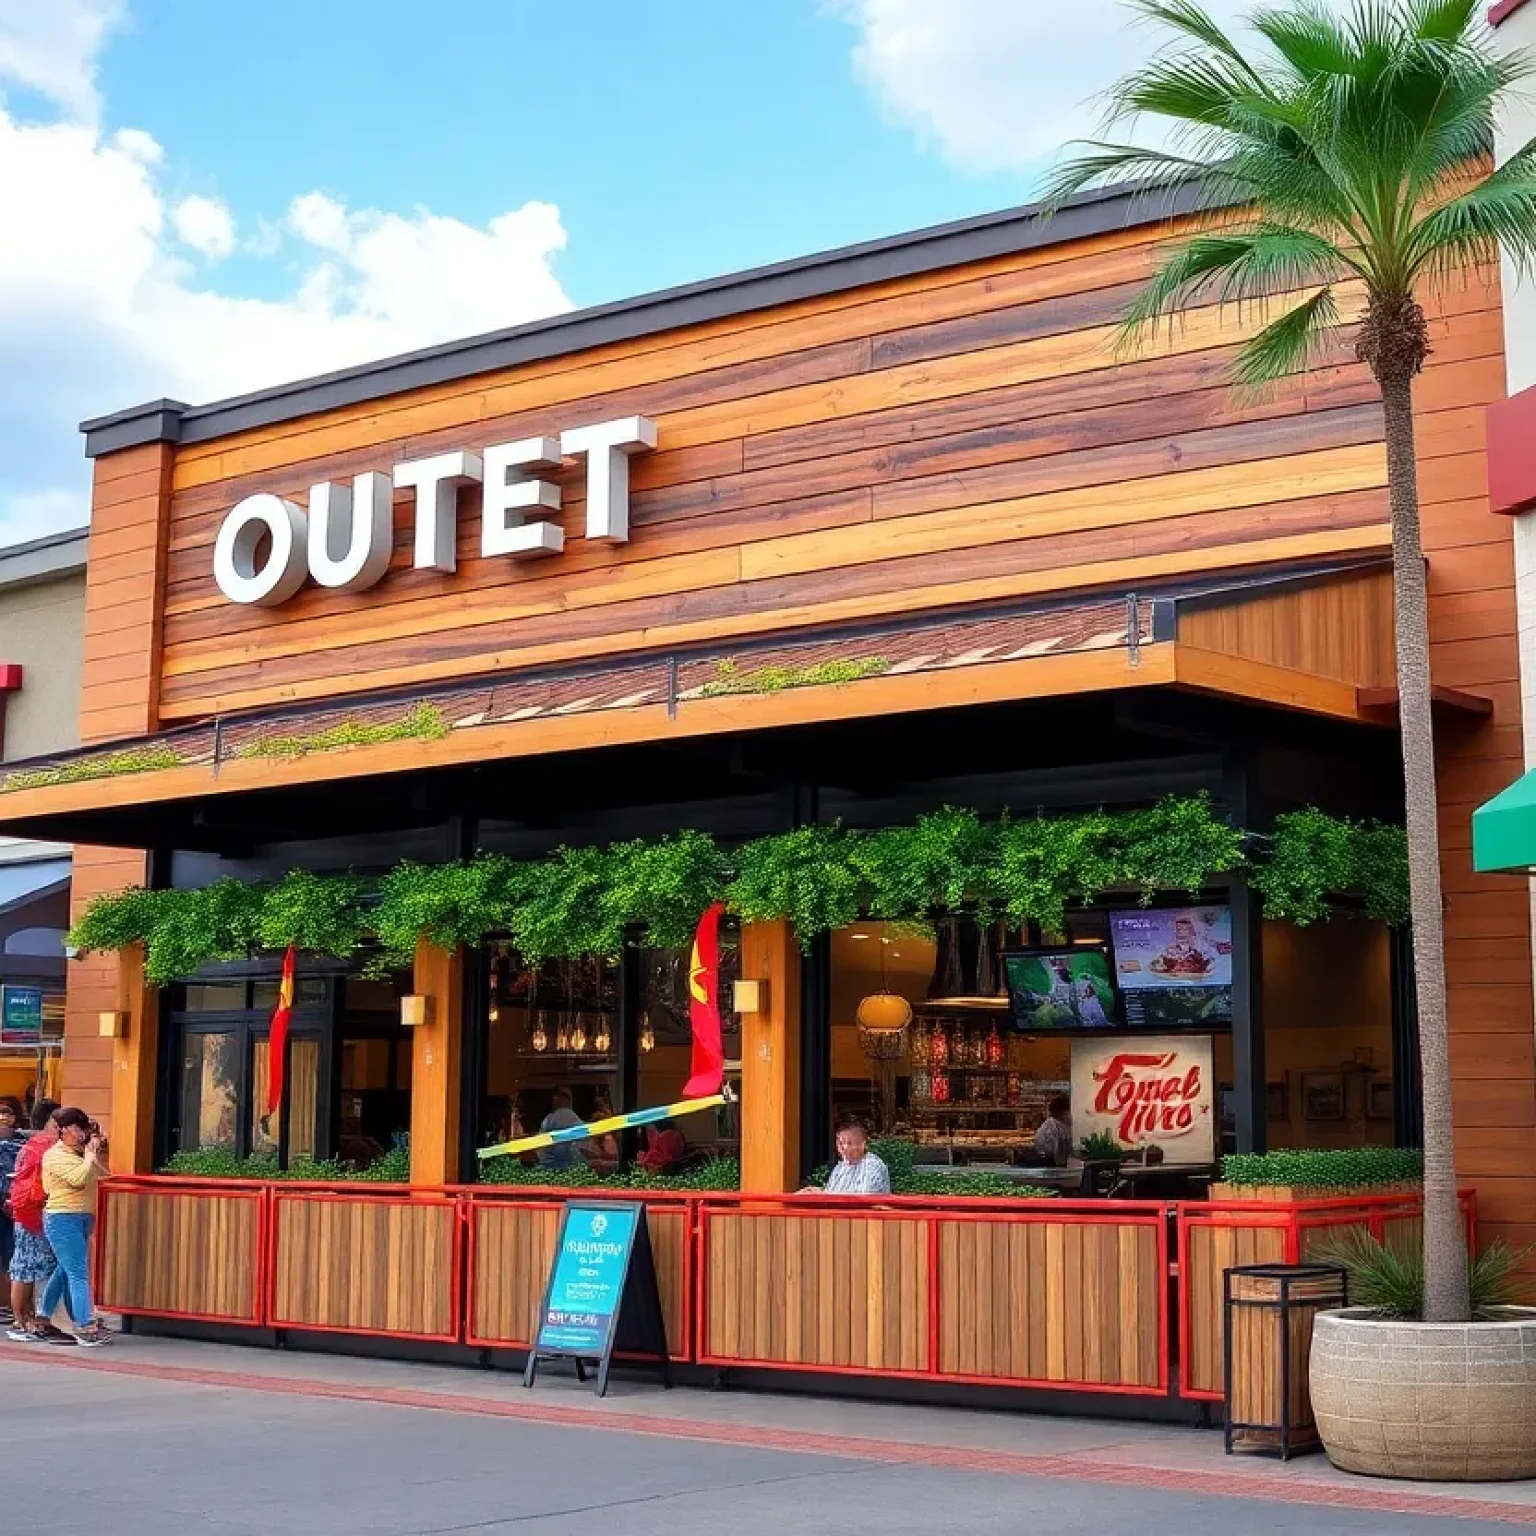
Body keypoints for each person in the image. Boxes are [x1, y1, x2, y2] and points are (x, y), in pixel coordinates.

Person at [39, 1107, 111, 1346]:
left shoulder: (80, 1152)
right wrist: (89, 1157)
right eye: (79, 1128)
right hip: (61, 1218)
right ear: (65, 1130)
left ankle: (43, 1316)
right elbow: (78, 1180)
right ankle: (84, 1325)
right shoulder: (54, 1155)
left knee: (65, 1270)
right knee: (78, 1273)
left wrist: (97, 1152)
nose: (83, 1133)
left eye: (84, 1128)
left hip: (82, 1216)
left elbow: (104, 1175)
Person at [7, 1099, 69, 1345]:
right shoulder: (46, 1146)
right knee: (25, 1268)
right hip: (34, 1211)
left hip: (26, 1210)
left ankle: (26, 1320)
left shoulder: (31, 1145)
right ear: (52, 1121)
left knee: (25, 1267)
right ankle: (23, 1321)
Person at [822, 1114, 891, 1195]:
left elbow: (864, 1197)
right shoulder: (840, 1167)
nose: (843, 1147)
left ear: (863, 1144)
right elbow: (831, 1193)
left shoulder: (872, 1165)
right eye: (840, 1143)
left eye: (849, 1143)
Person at [0, 1097, 23, 1316]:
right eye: (1, 1113)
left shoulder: (21, 1142)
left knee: (11, 1253)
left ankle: (7, 1304)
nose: (4, 1117)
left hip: (13, 1205)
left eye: (8, 1113)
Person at [536, 1087, 583, 1170]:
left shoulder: (549, 1118)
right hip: (563, 1169)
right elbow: (584, 1138)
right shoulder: (566, 1114)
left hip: (546, 1168)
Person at [1033, 1095, 1073, 1167]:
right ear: (1064, 1112)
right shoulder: (1053, 1127)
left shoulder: (1056, 1125)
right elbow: (1058, 1153)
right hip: (1049, 1165)